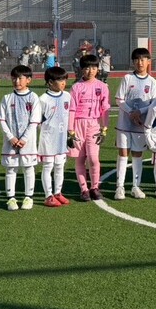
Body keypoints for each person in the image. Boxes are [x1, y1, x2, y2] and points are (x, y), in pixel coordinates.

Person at [114, 48, 156, 200]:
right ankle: (120, 187)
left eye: (143, 59)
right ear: (133, 62)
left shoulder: (152, 82)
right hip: (124, 124)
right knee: (123, 153)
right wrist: (131, 112)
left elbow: (153, 103)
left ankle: (135, 186)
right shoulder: (127, 78)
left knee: (137, 154)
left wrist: (139, 112)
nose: (140, 63)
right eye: (137, 60)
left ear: (148, 61)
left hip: (140, 124)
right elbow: (119, 99)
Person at [0, 65, 43, 211]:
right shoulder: (7, 98)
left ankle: (28, 197)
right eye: (14, 78)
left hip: (27, 142)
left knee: (28, 168)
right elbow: (1, 119)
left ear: (28, 80)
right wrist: (10, 137)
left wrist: (24, 139)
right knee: (11, 168)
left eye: (20, 78)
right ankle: (11, 199)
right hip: (10, 142)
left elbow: (34, 121)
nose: (17, 81)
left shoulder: (33, 97)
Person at [68, 54, 111, 201]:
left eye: (93, 67)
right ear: (81, 69)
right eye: (87, 68)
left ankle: (95, 187)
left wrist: (104, 128)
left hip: (94, 124)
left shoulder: (102, 86)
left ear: (98, 69)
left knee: (93, 158)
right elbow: (72, 109)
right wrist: (70, 130)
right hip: (78, 124)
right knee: (80, 158)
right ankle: (84, 189)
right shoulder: (76, 87)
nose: (90, 71)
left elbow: (105, 108)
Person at [38, 66, 72, 207]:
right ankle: (48, 196)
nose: (63, 82)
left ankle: (58, 192)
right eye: (60, 80)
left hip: (62, 139)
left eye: (64, 79)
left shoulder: (67, 96)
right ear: (50, 82)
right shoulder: (43, 99)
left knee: (60, 166)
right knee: (48, 166)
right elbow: (38, 121)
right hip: (48, 140)